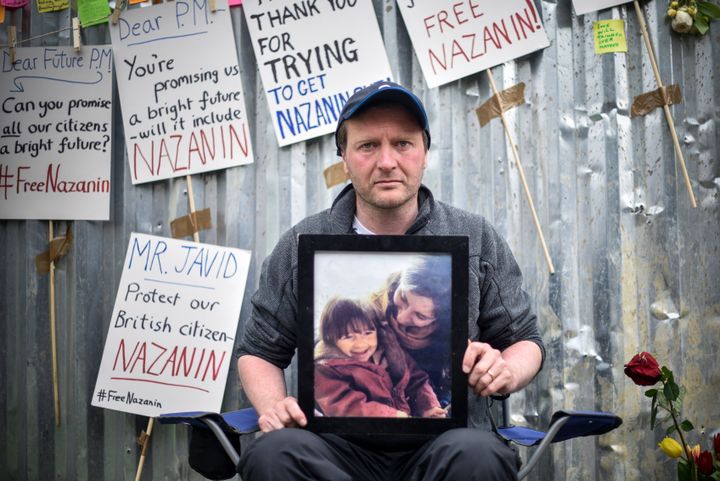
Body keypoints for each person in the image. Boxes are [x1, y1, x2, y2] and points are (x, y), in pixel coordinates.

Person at [236, 80, 545, 481]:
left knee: (480, 455)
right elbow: (259, 350)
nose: (387, 161)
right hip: (334, 450)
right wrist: (275, 408)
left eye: (403, 143)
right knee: (273, 453)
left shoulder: (475, 237)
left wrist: (505, 367)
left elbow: (525, 339)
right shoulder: (301, 244)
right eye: (367, 146)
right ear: (344, 158)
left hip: (446, 445)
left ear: (424, 153)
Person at [314, 296, 445, 418]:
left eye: (368, 333)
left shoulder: (391, 351)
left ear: (377, 330)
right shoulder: (327, 369)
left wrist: (429, 406)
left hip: (404, 425)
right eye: (348, 337)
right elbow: (347, 406)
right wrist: (394, 416)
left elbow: (417, 381)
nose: (360, 344)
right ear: (331, 337)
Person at [372, 256, 453, 407]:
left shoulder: (448, 347)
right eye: (403, 297)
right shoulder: (369, 311)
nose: (401, 318)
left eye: (420, 316)